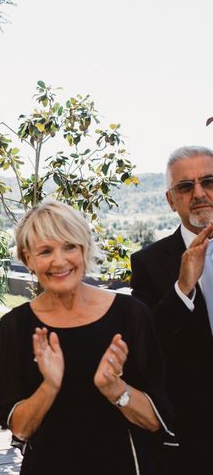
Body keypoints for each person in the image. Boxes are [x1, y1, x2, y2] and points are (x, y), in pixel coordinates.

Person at [0, 200, 174, 475]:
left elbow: (154, 421)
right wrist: (49, 385)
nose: (59, 261)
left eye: (70, 246)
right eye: (45, 251)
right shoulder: (15, 325)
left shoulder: (131, 315)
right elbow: (21, 429)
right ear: (28, 259)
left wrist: (115, 388)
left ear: (85, 249)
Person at [130, 145, 213, 473]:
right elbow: (147, 345)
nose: (199, 193)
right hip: (189, 434)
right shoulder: (148, 262)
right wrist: (182, 288)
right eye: (185, 186)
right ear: (170, 200)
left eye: (208, 181)